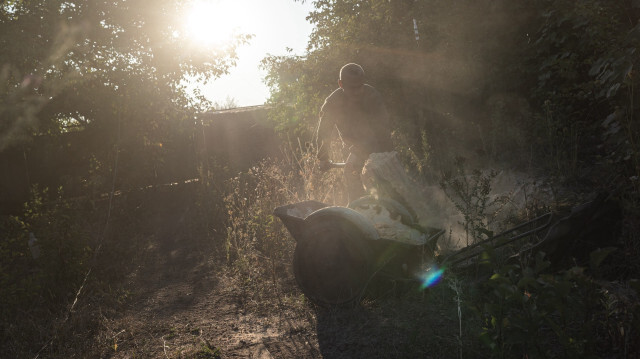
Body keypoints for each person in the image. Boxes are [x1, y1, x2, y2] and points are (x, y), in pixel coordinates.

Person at [315, 63, 393, 201]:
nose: (357, 91)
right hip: (350, 148)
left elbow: (382, 129)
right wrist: (323, 158)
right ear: (341, 84)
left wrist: (365, 152)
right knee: (354, 181)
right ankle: (360, 212)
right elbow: (324, 133)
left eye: (360, 86)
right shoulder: (332, 103)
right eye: (352, 88)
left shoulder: (372, 96)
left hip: (378, 146)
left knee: (385, 189)